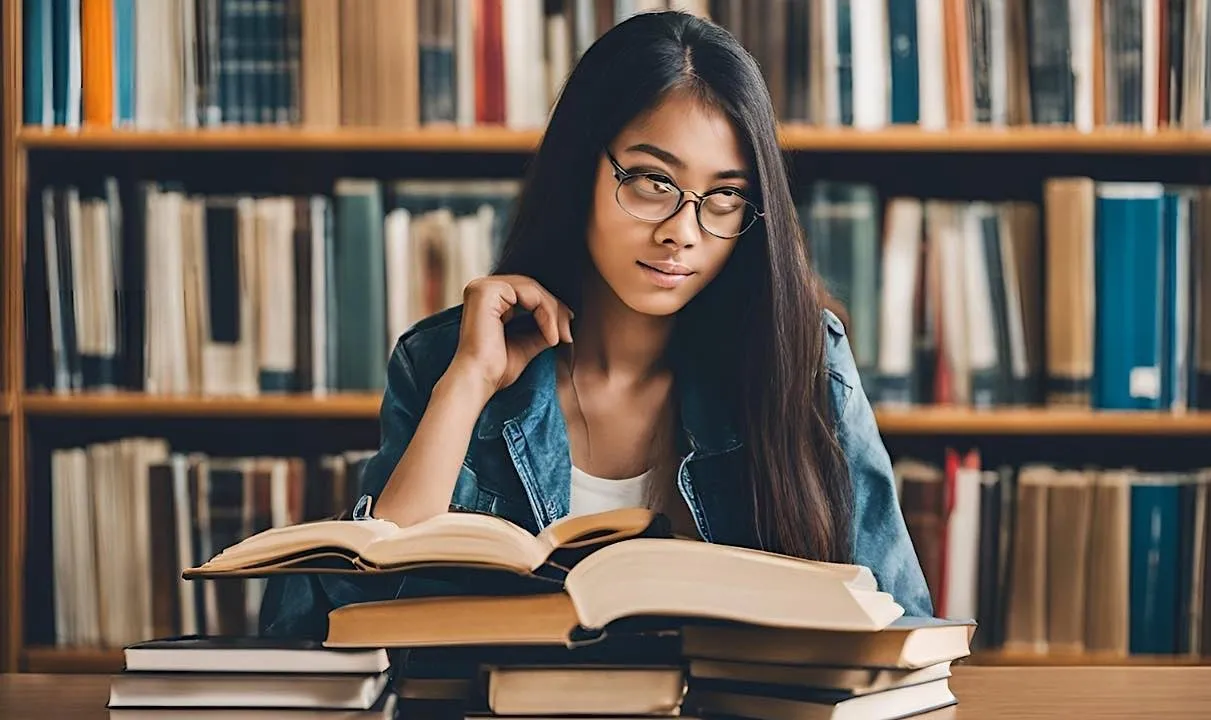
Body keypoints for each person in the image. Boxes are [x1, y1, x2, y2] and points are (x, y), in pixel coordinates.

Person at [258, 10, 932, 639]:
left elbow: (904, 628)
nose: (682, 233)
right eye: (650, 181)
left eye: (724, 197)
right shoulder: (446, 359)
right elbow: (346, 625)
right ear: (581, 169)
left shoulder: (803, 363)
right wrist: (466, 385)